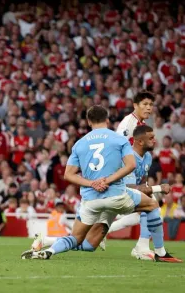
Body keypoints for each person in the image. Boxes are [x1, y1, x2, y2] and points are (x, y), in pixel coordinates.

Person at [21, 106, 171, 261]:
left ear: (88, 121)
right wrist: (108, 180)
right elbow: (131, 165)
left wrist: (92, 183)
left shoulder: (79, 144)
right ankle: (159, 252)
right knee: (152, 205)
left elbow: (68, 175)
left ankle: (50, 250)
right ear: (107, 119)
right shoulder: (119, 139)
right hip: (116, 195)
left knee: (77, 239)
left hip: (91, 200)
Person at [106, 91, 158, 256]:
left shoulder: (139, 124)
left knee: (141, 213)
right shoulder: (130, 124)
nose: (148, 108)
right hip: (121, 174)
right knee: (151, 204)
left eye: (150, 105)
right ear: (135, 105)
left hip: (127, 172)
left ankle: (105, 231)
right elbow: (116, 147)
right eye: (144, 104)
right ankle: (141, 249)